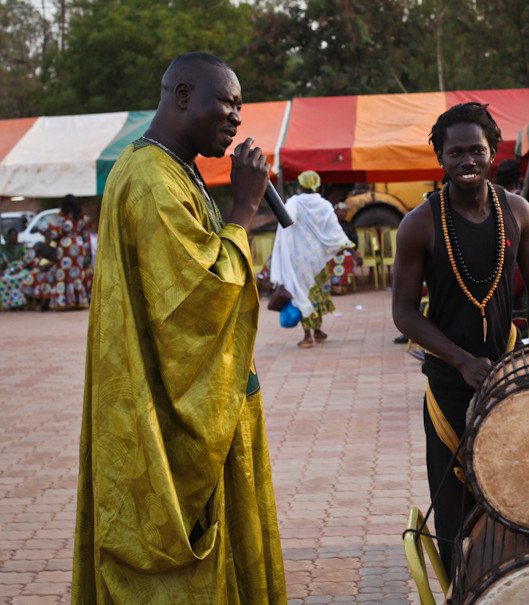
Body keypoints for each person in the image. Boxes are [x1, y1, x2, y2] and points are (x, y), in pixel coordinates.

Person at [71, 52, 286, 603]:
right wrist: (243, 206)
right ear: (183, 95)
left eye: (241, 107)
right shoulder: (150, 180)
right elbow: (200, 296)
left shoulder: (173, 168)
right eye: (227, 102)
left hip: (207, 397)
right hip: (173, 415)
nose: (237, 118)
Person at [391, 102, 529, 574]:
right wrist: (460, 359)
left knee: (517, 491)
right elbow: (403, 313)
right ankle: (463, 588)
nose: (467, 161)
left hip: (508, 376)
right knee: (456, 509)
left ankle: (516, 584)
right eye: (455, 152)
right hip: (448, 383)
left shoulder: (517, 210)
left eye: (476, 151)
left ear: (492, 153)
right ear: (441, 158)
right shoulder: (419, 224)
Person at [269, 170, 354, 346]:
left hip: (299, 260)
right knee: (319, 293)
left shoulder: (294, 202)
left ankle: (308, 335)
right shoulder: (324, 205)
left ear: (301, 185)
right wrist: (344, 244)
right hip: (319, 261)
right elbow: (334, 230)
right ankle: (317, 330)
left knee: (302, 293)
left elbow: (286, 222)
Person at [28, 194, 94, 310]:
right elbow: (86, 237)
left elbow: (55, 234)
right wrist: (87, 253)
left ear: (66, 205)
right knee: (76, 275)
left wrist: (44, 231)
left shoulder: (62, 217)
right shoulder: (82, 218)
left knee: (63, 275)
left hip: (65, 250)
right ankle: (78, 301)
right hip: (78, 248)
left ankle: (64, 303)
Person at [0, 228, 33, 309]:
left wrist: (19, 268)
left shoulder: (22, 246)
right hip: (9, 269)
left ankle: (21, 303)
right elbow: (1, 263)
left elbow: (27, 260)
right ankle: (9, 305)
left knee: (21, 278)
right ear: (6, 237)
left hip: (21, 269)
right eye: (11, 235)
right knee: (3, 280)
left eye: (15, 234)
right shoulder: (3, 249)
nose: (14, 237)